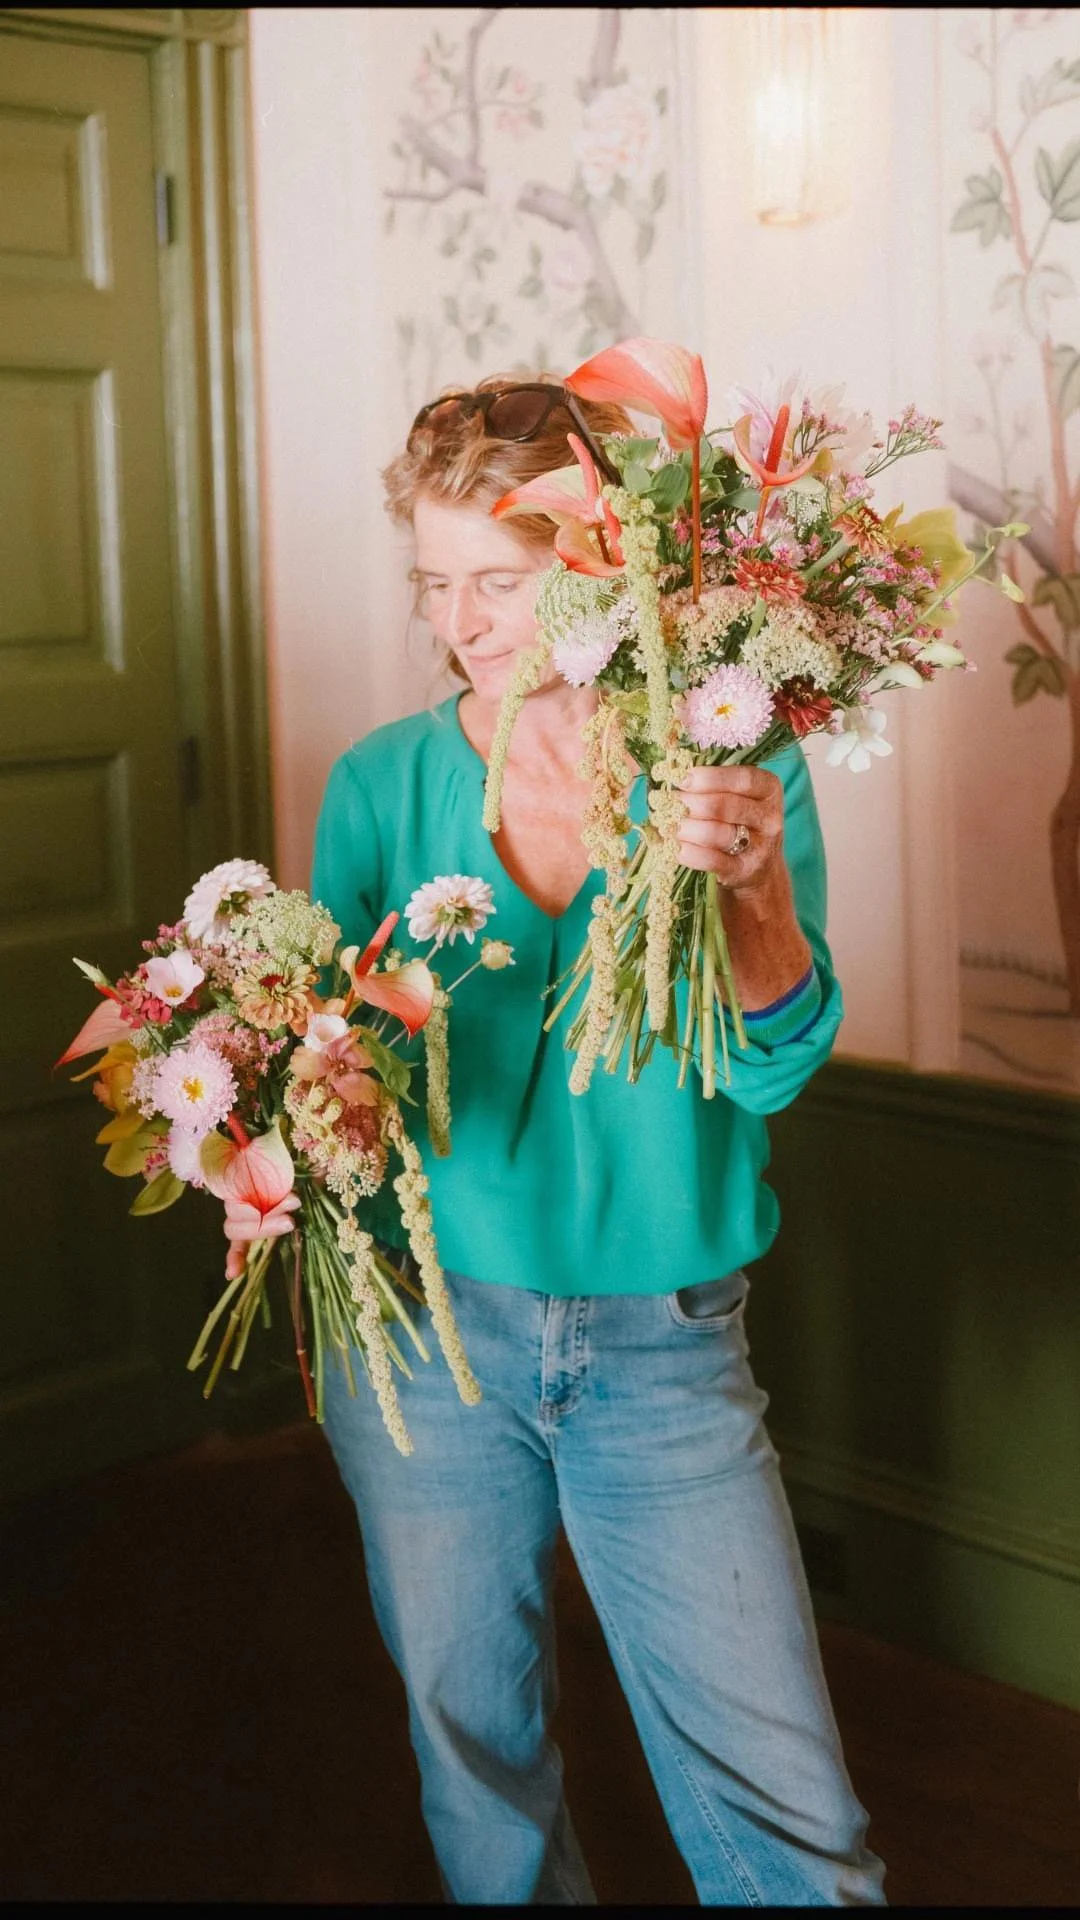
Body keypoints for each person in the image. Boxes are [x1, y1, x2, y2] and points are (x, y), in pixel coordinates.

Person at [310, 375, 887, 1906]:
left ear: (594, 562)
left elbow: (772, 1073)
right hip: (428, 1344)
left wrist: (755, 894)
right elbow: (336, 1092)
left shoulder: (725, 768)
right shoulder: (378, 784)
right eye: (434, 585)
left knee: (792, 1827)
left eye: (495, 581)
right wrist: (309, 1101)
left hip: (664, 1348)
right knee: (480, 1779)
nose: (461, 624)